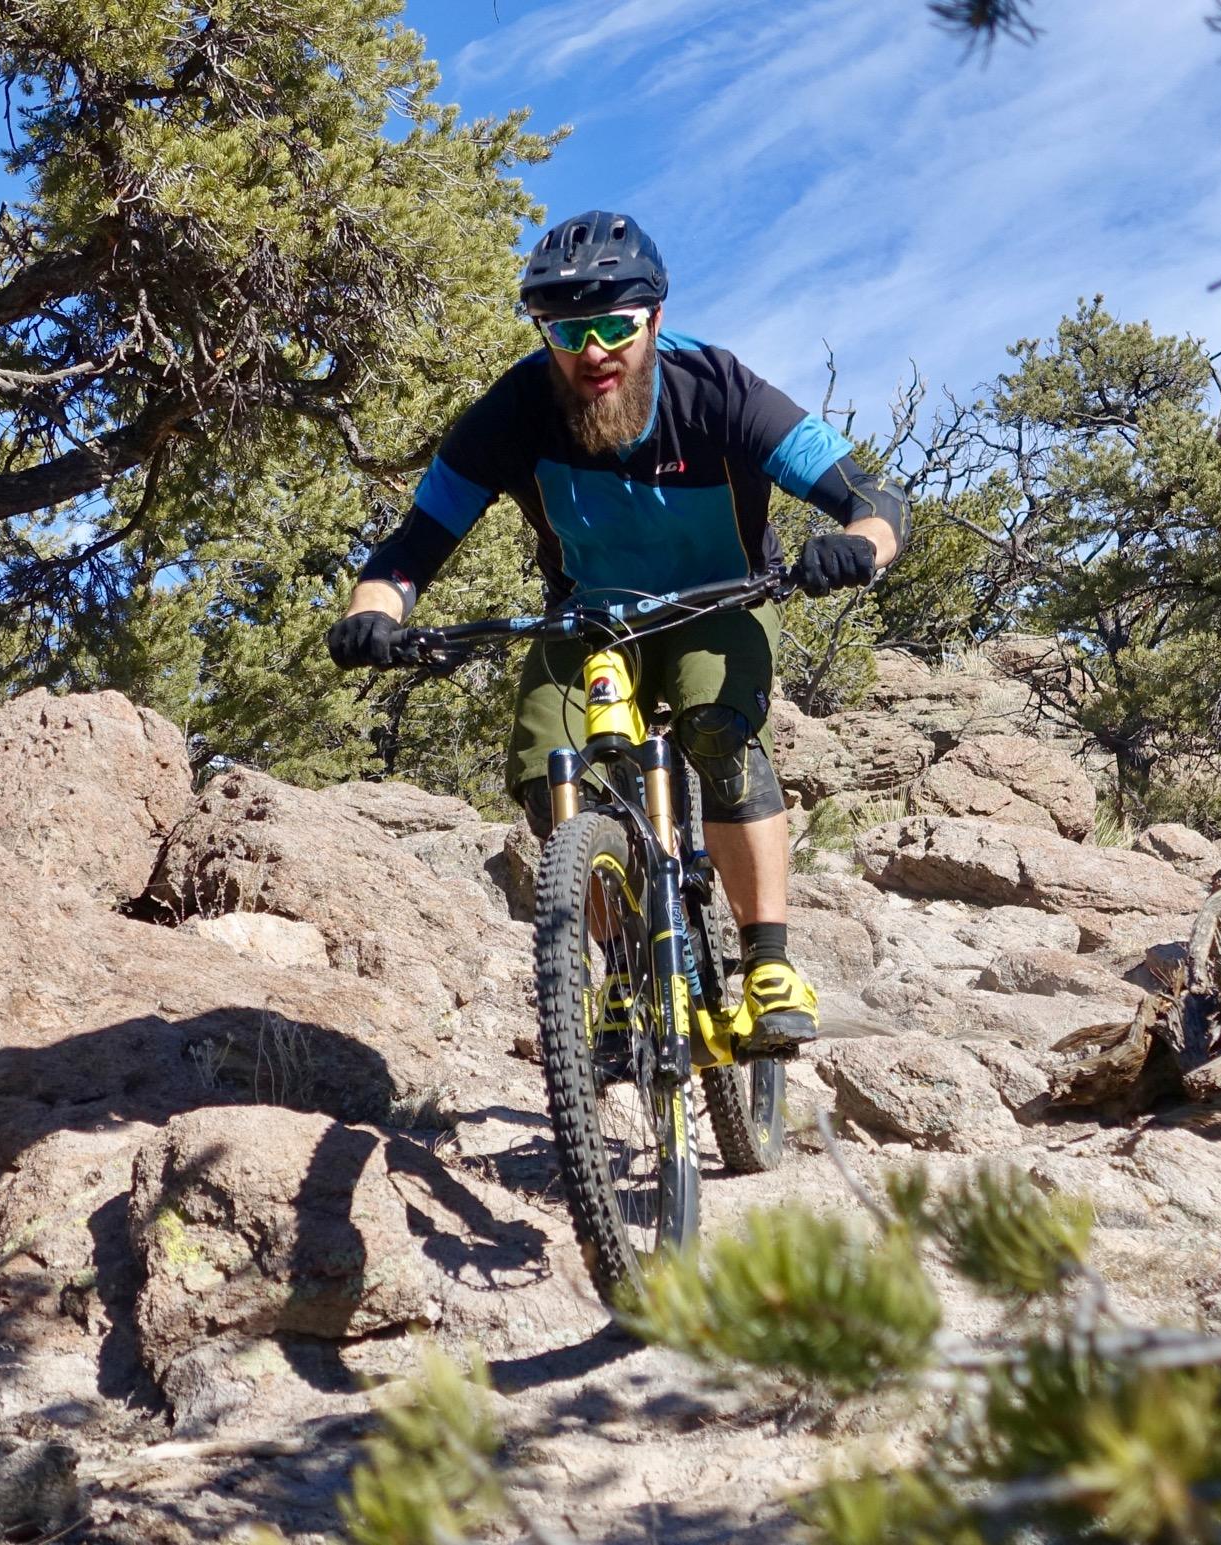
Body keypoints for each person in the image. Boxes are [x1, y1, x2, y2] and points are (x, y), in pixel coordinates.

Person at [326, 210, 909, 1054]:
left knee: (718, 727)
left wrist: (858, 547)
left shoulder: (718, 391)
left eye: (613, 325)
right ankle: (627, 969)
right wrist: (372, 615)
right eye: (567, 329)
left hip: (724, 601)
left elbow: (872, 496)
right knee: (546, 769)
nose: (592, 351)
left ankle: (769, 961)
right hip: (589, 616)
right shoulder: (514, 412)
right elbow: (413, 546)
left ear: (655, 319)